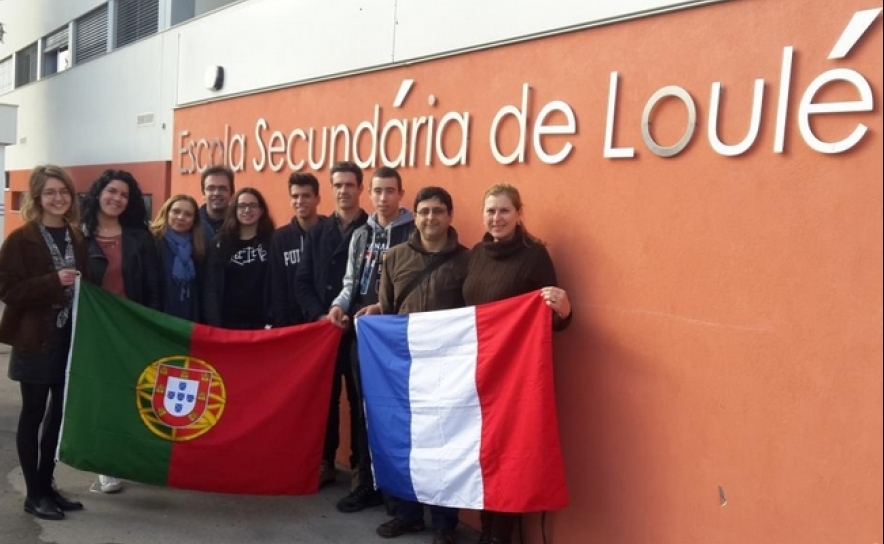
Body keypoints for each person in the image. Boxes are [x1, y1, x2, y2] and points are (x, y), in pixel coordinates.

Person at [462, 183, 572, 544]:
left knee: (510, 457)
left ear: (519, 213)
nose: (497, 218)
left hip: (517, 377)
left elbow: (549, 318)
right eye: (491, 211)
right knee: (484, 453)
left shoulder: (535, 255)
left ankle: (500, 537)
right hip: (481, 372)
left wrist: (564, 310)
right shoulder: (476, 254)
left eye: (505, 211)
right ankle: (487, 531)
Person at [363, 186, 470, 544]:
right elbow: (389, 309)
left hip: (449, 369)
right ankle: (407, 514)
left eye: (438, 211)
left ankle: (444, 524)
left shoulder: (467, 260)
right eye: (424, 211)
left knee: (445, 443)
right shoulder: (394, 257)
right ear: (416, 215)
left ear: (449, 215)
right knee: (407, 439)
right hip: (406, 369)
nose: (430, 218)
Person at [0, 165, 89, 520]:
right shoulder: (20, 239)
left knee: (58, 416)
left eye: (64, 191)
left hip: (68, 337)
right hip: (34, 339)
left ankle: (47, 483)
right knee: (33, 414)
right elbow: (8, 290)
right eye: (50, 192)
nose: (58, 198)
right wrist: (53, 282)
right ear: (37, 197)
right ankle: (33, 494)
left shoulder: (76, 236)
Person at [327, 166, 415, 513]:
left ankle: (396, 489)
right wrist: (338, 305)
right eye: (377, 191)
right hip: (361, 332)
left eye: (390, 191)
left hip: (395, 333)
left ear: (400, 194)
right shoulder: (361, 234)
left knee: (391, 412)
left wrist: (385, 307)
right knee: (362, 409)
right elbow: (351, 282)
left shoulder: (413, 231)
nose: (383, 198)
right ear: (370, 194)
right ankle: (367, 484)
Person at [81, 168, 161, 494]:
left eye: (125, 195)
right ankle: (105, 465)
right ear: (99, 193)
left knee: (132, 392)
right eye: (112, 191)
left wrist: (153, 324)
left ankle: (128, 457)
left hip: (131, 328)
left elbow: (154, 285)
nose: (117, 199)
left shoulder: (140, 237)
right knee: (100, 394)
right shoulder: (79, 234)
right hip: (93, 328)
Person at [295, 161, 368, 488]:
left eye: (349, 184)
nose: (343, 190)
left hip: (360, 330)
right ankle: (324, 460)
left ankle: (358, 466)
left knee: (358, 400)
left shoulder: (373, 228)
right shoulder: (316, 232)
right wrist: (320, 316)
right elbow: (302, 281)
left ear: (360, 188)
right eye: (337, 185)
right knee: (324, 398)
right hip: (325, 329)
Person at [203, 187, 275, 329]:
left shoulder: (273, 242)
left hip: (262, 323)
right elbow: (211, 287)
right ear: (234, 210)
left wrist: (273, 318)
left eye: (253, 205)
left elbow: (277, 284)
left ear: (261, 210)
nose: (247, 210)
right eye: (242, 206)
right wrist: (213, 322)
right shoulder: (220, 243)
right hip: (227, 323)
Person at [267, 172, 324, 327]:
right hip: (292, 324)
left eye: (306, 196)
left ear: (317, 199)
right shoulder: (280, 238)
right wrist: (280, 325)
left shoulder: (329, 231)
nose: (300, 201)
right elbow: (277, 286)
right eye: (295, 196)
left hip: (323, 320)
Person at [150, 194, 206, 321]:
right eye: (176, 211)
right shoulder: (152, 241)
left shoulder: (198, 246)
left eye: (188, 214)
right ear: (166, 213)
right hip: (158, 315)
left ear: (194, 221)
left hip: (189, 316)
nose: (181, 217)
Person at [198, 165, 234, 247]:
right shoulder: (192, 223)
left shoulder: (241, 223)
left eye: (222, 188)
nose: (216, 193)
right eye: (211, 188)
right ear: (203, 193)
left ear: (231, 193)